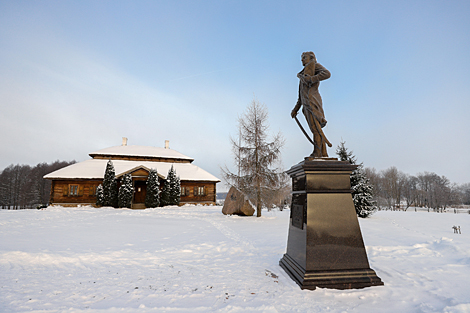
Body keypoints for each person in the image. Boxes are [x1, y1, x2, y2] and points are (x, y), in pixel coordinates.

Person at [291, 51, 331, 158]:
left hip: (313, 103)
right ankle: (323, 153)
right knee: (316, 129)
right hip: (306, 105)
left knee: (316, 129)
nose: (302, 59)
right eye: (302, 57)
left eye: (304, 57)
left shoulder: (314, 66)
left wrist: (312, 79)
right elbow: (301, 96)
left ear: (311, 58)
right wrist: (296, 109)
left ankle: (318, 153)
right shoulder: (303, 74)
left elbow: (327, 73)